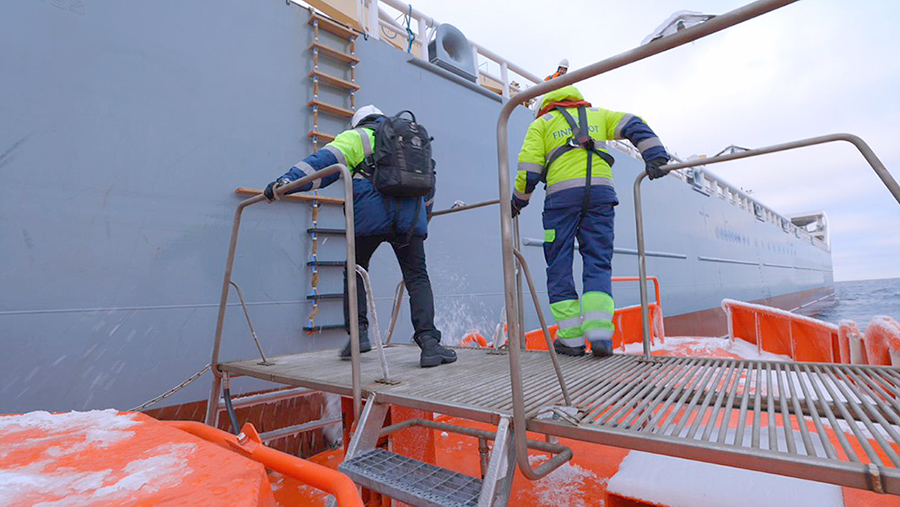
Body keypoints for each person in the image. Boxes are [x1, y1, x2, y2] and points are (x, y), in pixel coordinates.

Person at [264, 105, 457, 368]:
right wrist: (423, 220)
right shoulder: (411, 142)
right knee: (416, 276)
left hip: (370, 217)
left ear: (359, 122)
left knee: (355, 270)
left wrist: (287, 182)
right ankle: (430, 344)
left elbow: (326, 162)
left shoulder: (360, 136)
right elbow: (428, 186)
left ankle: (358, 335)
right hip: (411, 220)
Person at [510, 86, 670, 358]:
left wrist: (519, 201)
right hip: (601, 196)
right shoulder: (597, 116)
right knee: (598, 261)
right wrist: (655, 156)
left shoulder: (541, 124)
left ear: (544, 104)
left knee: (559, 263)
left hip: (560, 201)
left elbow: (529, 169)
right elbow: (634, 123)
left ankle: (571, 340)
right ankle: (600, 337)